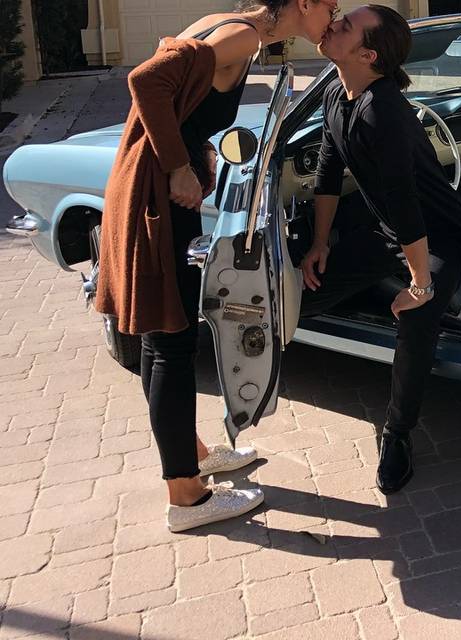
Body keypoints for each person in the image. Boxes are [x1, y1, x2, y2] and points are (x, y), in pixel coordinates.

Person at [94, 0, 338, 532]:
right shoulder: (242, 37)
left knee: (164, 338)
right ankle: (185, 496)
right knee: (172, 342)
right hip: (157, 198)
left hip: (152, 192)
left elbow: (177, 100)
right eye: (331, 6)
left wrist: (190, 155)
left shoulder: (228, 28)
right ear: (302, 4)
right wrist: (180, 167)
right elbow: (145, 81)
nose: (333, 18)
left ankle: (194, 454)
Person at [300, 5, 461, 494]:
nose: (333, 23)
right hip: (387, 229)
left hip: (435, 234)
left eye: (345, 25)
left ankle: (396, 435)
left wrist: (420, 284)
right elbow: (328, 173)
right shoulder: (337, 92)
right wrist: (318, 242)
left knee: (419, 318)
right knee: (304, 297)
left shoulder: (385, 111)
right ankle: (387, 292)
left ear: (367, 54)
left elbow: (407, 205)